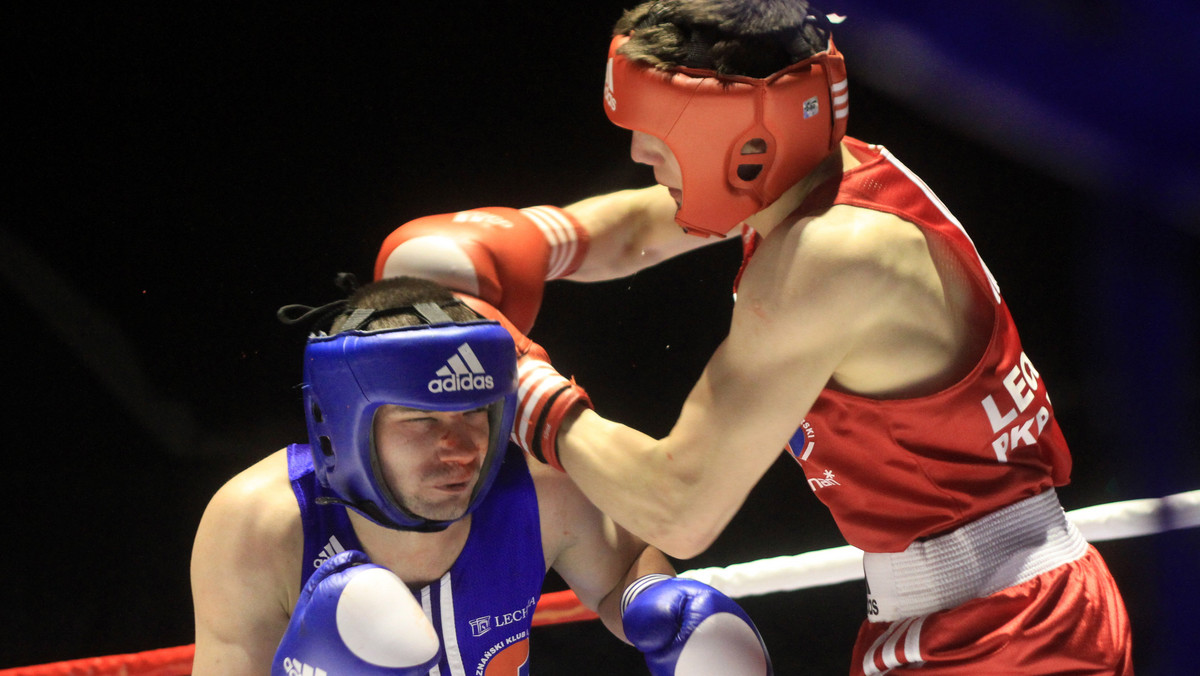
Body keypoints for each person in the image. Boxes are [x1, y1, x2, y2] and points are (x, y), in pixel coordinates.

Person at [371, 2, 1133, 673]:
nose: (640, 153)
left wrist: (511, 370)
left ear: (737, 137)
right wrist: (530, 239)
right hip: (966, 615)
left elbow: (677, 509)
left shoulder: (832, 258)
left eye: (657, 132)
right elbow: (639, 228)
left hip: (1011, 633)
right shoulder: (826, 180)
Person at [189, 275, 773, 676]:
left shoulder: (542, 491)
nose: (461, 447)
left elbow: (623, 569)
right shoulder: (259, 524)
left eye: (476, 413)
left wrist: (657, 602)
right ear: (346, 424)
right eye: (421, 420)